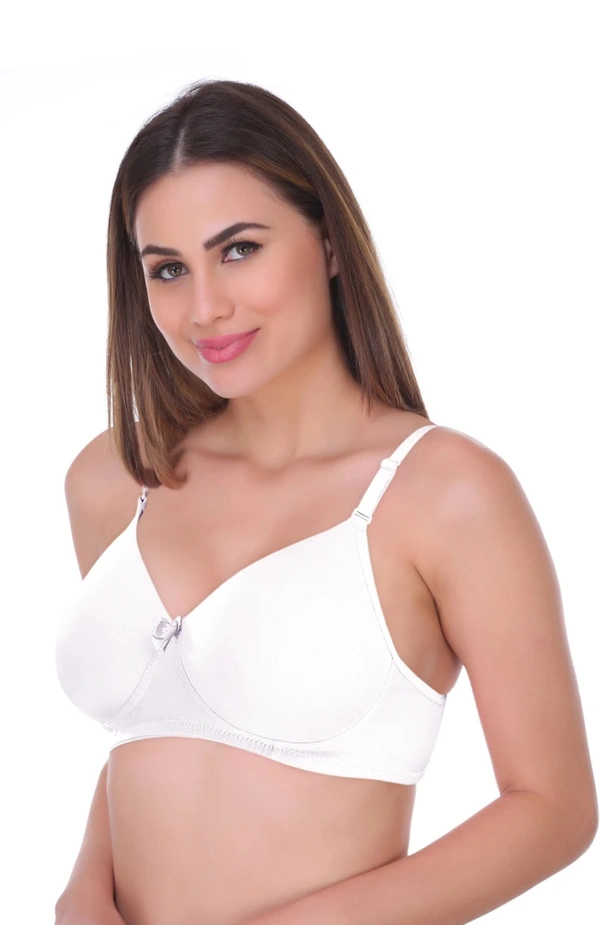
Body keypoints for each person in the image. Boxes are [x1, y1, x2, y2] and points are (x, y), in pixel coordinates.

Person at [54, 78, 597, 925]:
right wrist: (79, 895)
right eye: (169, 269)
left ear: (331, 244)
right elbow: (151, 730)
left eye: (239, 249)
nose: (206, 308)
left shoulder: (444, 494)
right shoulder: (115, 479)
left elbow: (553, 809)